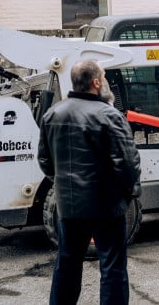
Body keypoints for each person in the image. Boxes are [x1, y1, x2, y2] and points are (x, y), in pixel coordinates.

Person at [38, 59, 141, 305]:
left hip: (69, 206)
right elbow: (127, 163)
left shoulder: (53, 114)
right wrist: (129, 193)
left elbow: (44, 160)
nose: (104, 81)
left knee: (67, 264)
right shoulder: (109, 116)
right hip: (107, 206)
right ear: (96, 82)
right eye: (103, 77)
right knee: (112, 267)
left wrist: (63, 184)